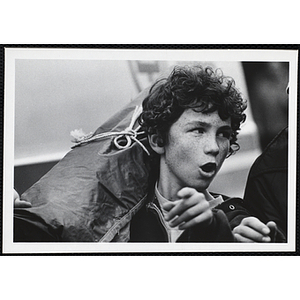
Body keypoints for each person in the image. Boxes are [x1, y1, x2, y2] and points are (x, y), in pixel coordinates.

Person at [13, 65, 276, 243]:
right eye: (198, 130)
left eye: (224, 133)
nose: (214, 147)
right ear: (159, 140)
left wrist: (221, 234)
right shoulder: (121, 213)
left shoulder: (233, 215)